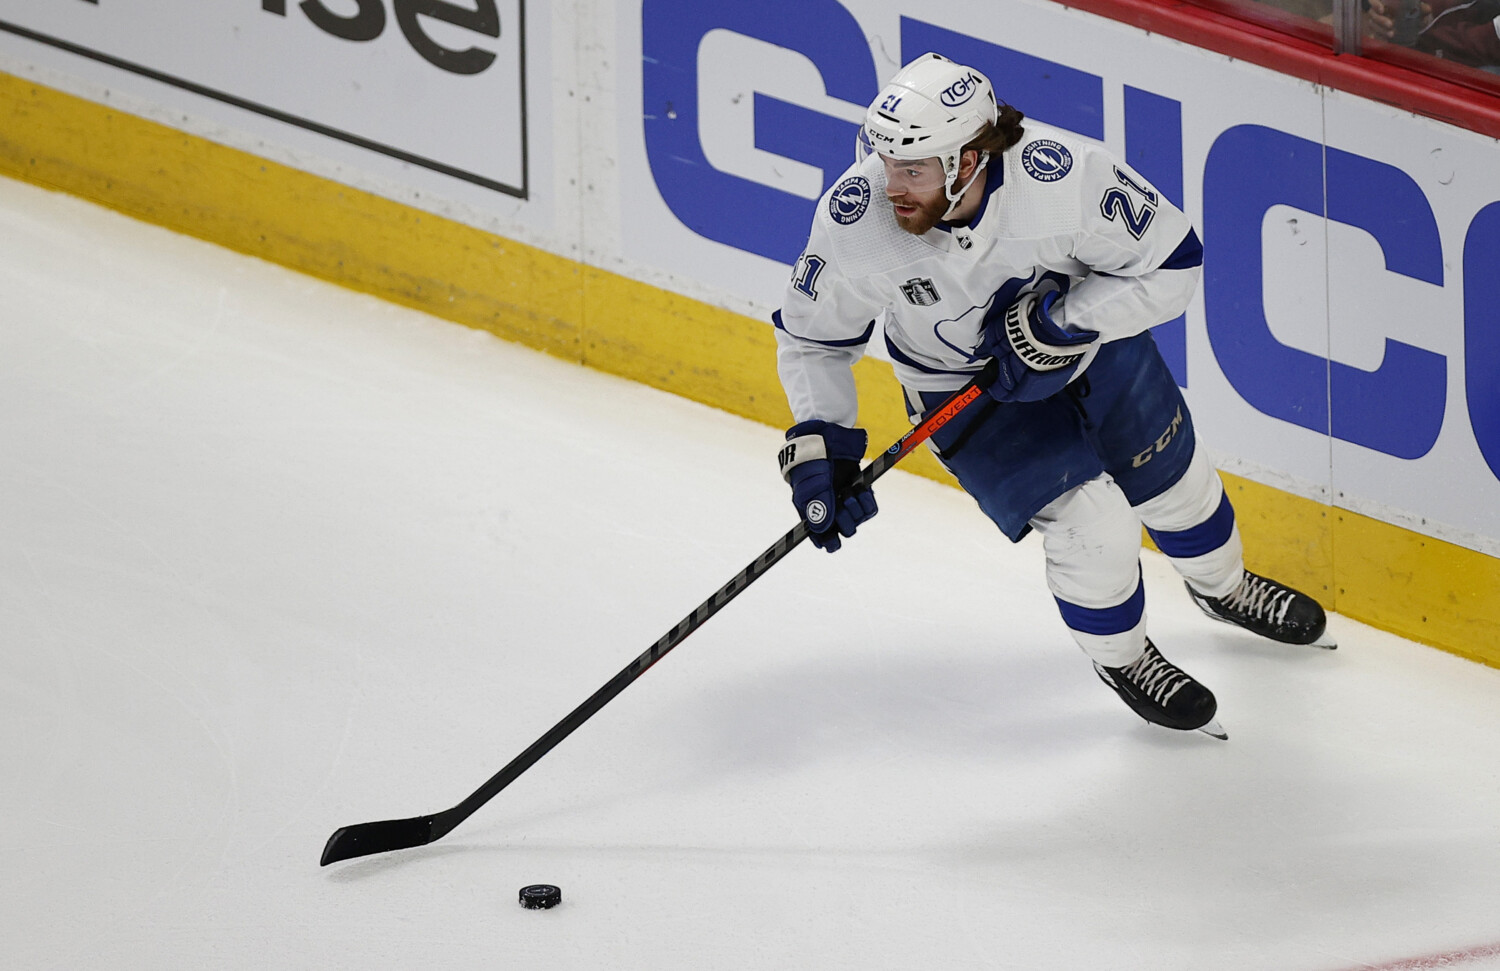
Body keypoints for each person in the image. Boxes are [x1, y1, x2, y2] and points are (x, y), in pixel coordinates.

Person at [771, 52, 1335, 739]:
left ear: (970, 159)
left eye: (912, 169)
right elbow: (813, 338)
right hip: (963, 392)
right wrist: (820, 444)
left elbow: (1175, 262)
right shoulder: (856, 220)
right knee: (1094, 526)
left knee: (1177, 484)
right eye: (886, 161)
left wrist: (1067, 320)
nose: (891, 184)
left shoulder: (1066, 178)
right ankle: (1124, 659)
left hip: (1094, 348)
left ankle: (1223, 587)